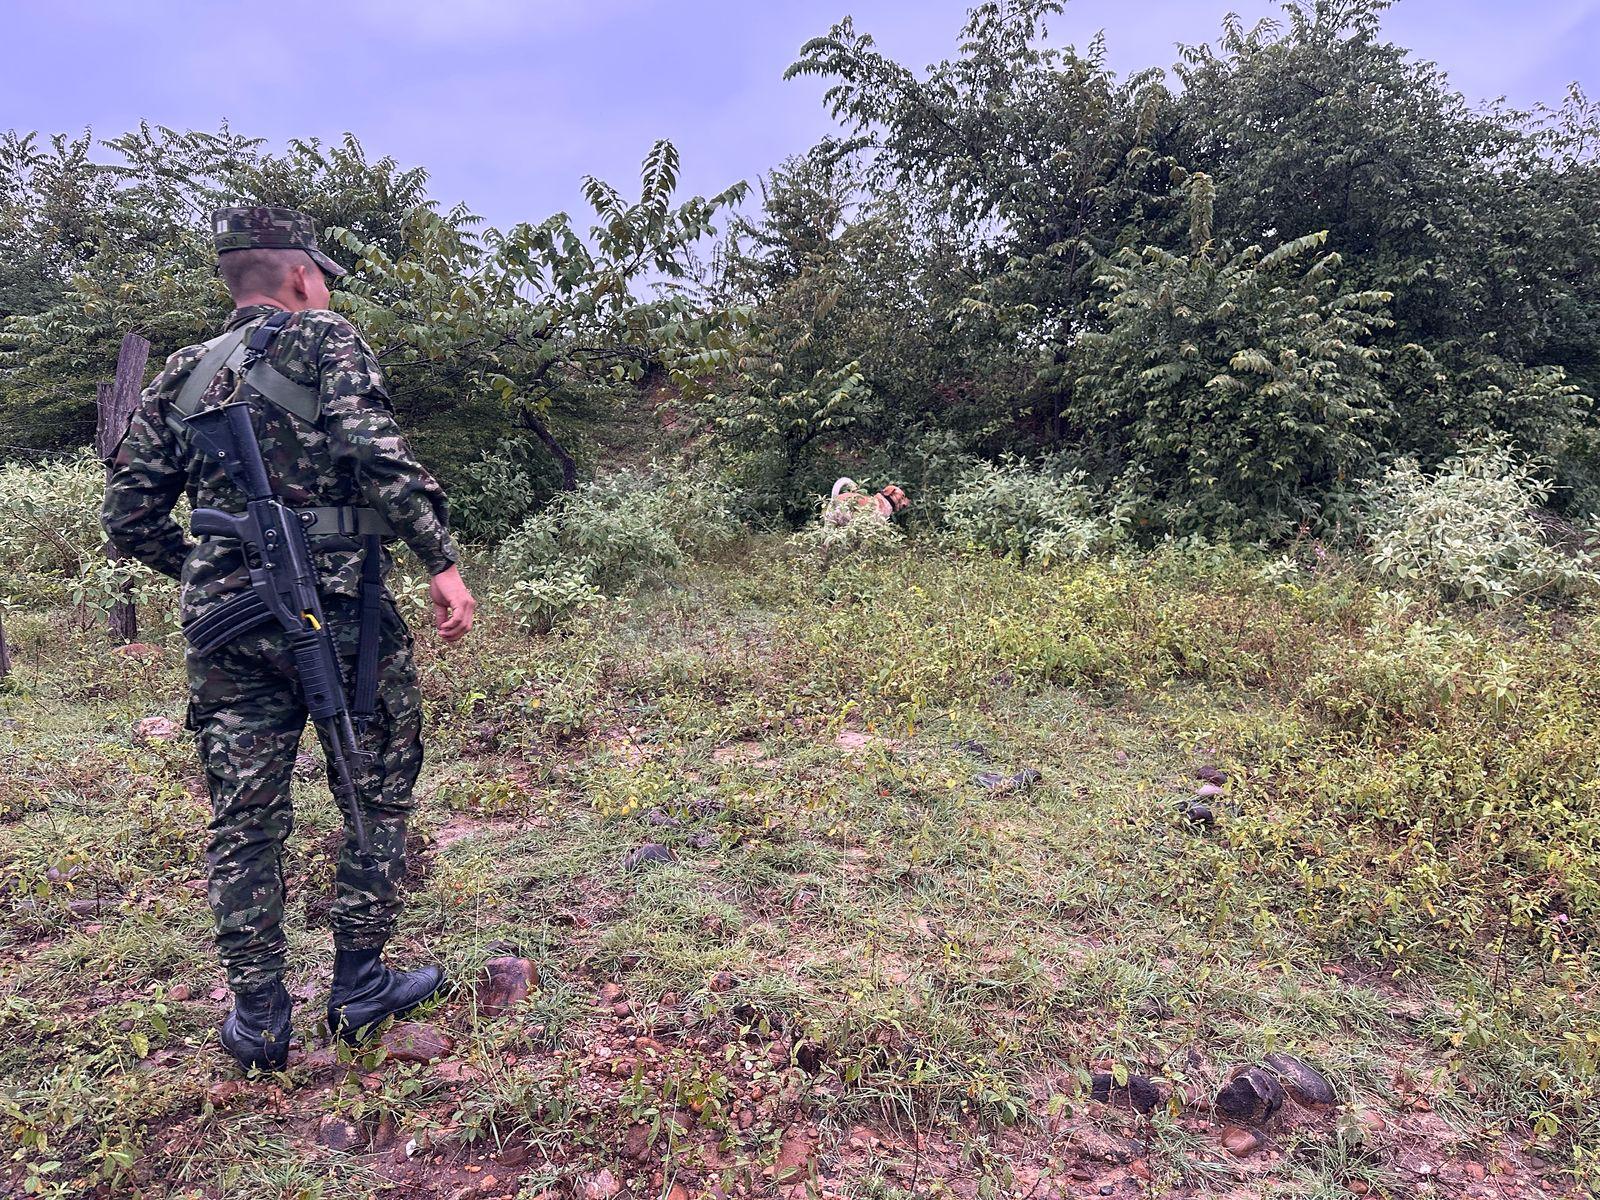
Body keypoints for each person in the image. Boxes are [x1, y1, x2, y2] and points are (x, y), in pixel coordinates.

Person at [102, 205, 477, 1072]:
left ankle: (259, 1017)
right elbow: (375, 449)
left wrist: (212, 568)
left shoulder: (184, 375)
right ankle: (358, 984)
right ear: (303, 274)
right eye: (324, 278)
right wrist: (441, 560)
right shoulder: (325, 339)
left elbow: (128, 516)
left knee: (246, 816)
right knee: (373, 790)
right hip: (345, 618)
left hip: (227, 632)